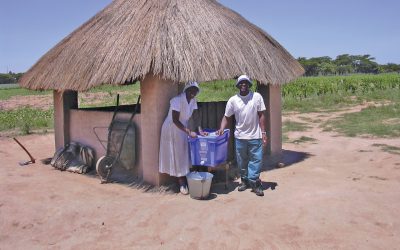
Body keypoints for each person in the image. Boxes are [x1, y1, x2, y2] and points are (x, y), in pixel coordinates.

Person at [217, 75, 267, 196]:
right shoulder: (233, 100)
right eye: (241, 83)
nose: (243, 84)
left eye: (246, 83)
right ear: (238, 85)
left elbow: (261, 115)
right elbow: (226, 116)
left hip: (255, 136)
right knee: (241, 161)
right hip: (240, 137)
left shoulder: (256, 97)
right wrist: (222, 128)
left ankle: (255, 182)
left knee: (256, 160)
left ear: (249, 85)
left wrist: (264, 132)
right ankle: (245, 181)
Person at [159, 81, 206, 195]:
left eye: (195, 90)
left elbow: (196, 115)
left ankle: (185, 177)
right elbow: (175, 120)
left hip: (182, 129)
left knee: (183, 153)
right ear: (186, 90)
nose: (193, 92)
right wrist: (189, 131)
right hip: (171, 128)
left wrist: (199, 129)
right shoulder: (177, 100)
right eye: (191, 90)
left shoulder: (193, 101)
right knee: (177, 154)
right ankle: (182, 184)